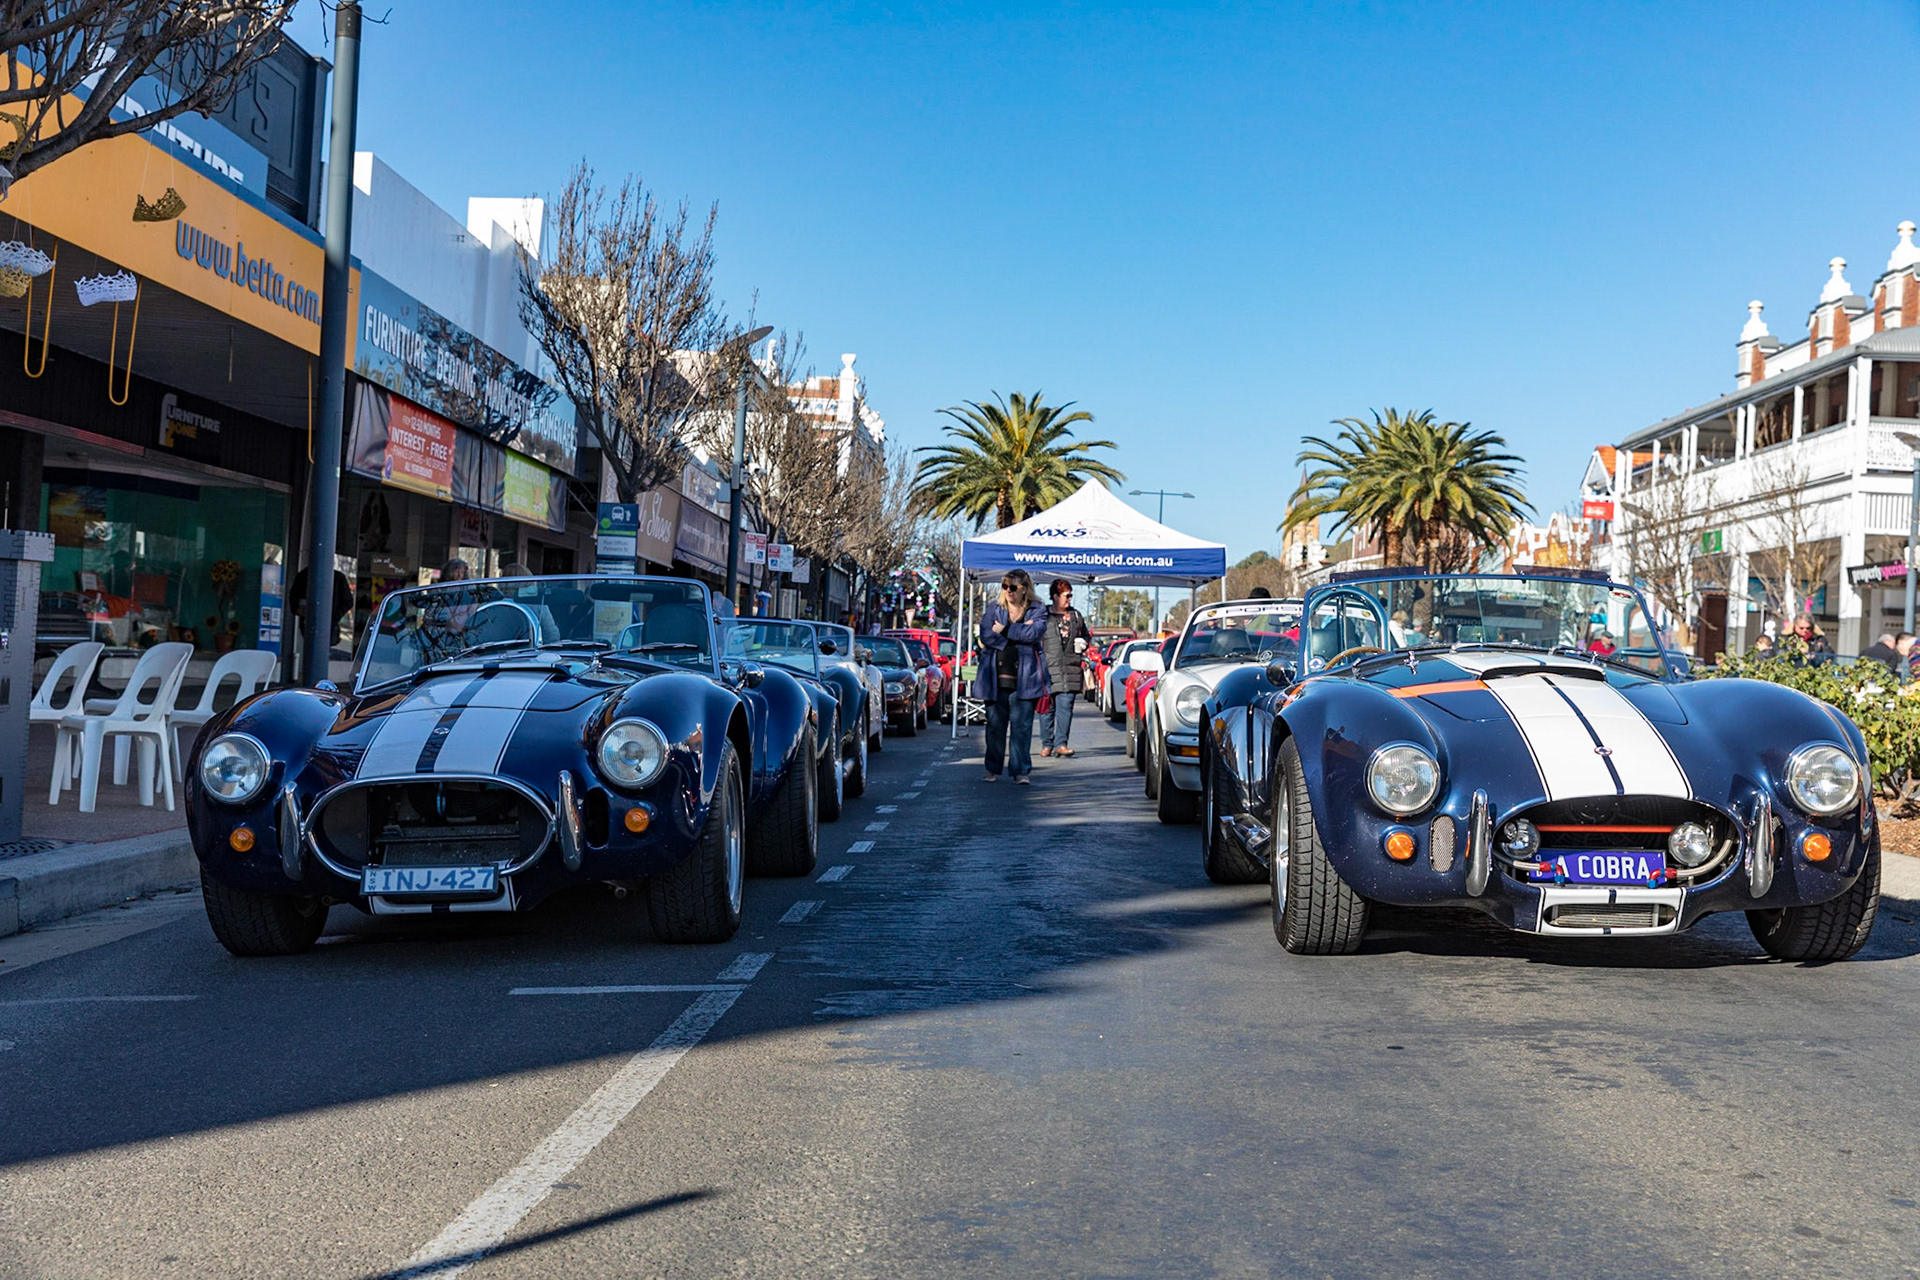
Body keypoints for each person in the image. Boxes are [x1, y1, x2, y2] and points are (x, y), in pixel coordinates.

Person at [973, 569, 1049, 784]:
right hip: (995, 678)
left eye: (1012, 587)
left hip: (1026, 679)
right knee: (995, 726)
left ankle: (1020, 771)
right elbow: (986, 635)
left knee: (1022, 728)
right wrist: (1016, 635)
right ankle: (992, 768)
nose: (1007, 591)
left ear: (1024, 589)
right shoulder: (995, 608)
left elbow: (1035, 633)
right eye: (1005, 586)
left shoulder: (1037, 609)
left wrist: (1005, 630)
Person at [1038, 579, 1091, 758]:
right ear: (1055, 596)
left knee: (1065, 707)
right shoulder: (1043, 615)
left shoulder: (1076, 616)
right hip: (1047, 669)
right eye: (1066, 595)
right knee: (1047, 709)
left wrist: (1084, 644)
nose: (1069, 599)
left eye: (1070, 595)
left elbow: (1086, 635)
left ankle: (1061, 744)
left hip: (1070, 669)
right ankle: (1047, 744)